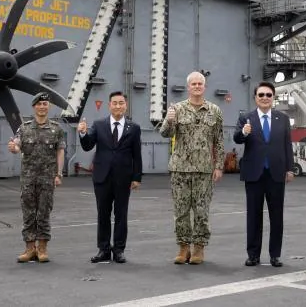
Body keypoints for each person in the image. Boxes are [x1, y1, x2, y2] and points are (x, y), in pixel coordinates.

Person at [159, 70, 224, 265]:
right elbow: (165, 133)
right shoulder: (177, 109)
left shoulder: (215, 111)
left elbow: (219, 141)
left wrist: (219, 166)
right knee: (181, 211)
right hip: (180, 169)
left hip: (204, 169)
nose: (197, 86)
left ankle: (199, 248)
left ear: (204, 87)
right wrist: (169, 120)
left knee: (202, 211)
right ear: (188, 87)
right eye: (193, 84)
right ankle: (183, 247)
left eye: (200, 84)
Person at [233, 81, 294, 267]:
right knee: (253, 216)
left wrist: (290, 168)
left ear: (273, 98)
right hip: (254, 174)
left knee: (277, 216)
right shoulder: (246, 118)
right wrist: (243, 132)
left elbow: (287, 145)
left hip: (276, 174)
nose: (265, 98)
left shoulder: (282, 118)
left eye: (268, 95)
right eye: (261, 95)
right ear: (255, 98)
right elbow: (237, 138)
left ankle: (275, 254)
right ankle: (253, 255)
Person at [78, 91, 143, 264]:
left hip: (124, 178)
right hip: (102, 177)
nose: (118, 106)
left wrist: (137, 177)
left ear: (125, 105)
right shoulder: (99, 125)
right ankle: (104, 249)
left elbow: (137, 154)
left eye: (121, 103)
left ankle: (119, 250)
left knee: (121, 214)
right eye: (114, 103)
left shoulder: (134, 128)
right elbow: (87, 146)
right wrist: (83, 134)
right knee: (103, 214)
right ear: (109, 105)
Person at [8, 92, 65, 263]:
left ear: (49, 107)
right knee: (28, 213)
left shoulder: (56, 129)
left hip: (47, 179)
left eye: (45, 104)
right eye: (39, 104)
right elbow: (17, 144)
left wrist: (59, 174)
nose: (42, 107)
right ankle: (29, 248)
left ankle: (42, 249)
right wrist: (14, 148)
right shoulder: (24, 128)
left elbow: (60, 151)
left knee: (44, 213)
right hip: (28, 179)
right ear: (34, 107)